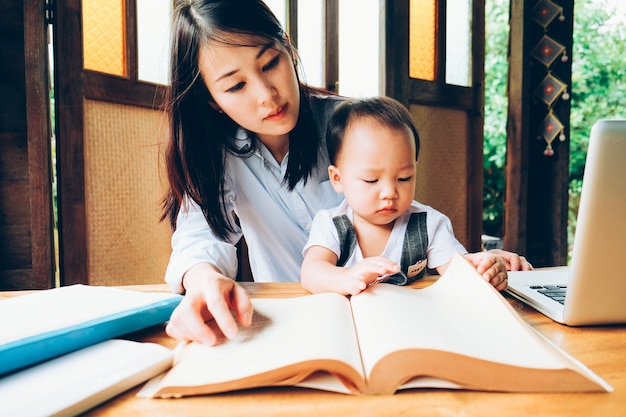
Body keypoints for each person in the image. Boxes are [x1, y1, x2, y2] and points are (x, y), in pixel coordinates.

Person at [162, 0, 533, 346]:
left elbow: (410, 221)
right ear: (212, 98)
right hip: (290, 322)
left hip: (388, 312)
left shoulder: (349, 124)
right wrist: (203, 280)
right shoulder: (216, 155)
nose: (267, 94)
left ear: (288, 48)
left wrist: (477, 266)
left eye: (270, 63)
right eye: (236, 85)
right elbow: (200, 241)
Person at [301, 96, 516, 295]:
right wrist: (346, 277)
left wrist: (484, 269)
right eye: (371, 180)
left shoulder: (428, 224)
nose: (389, 193)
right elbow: (311, 273)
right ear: (337, 179)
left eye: (404, 178)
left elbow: (457, 270)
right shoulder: (331, 224)